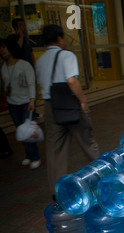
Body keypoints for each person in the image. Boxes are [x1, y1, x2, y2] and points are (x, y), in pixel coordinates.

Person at [35, 24, 99, 197]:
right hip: (70, 104)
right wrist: (83, 100)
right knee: (88, 143)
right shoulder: (66, 55)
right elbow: (71, 81)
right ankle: (103, 178)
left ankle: (58, 191)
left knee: (55, 152)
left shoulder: (39, 61)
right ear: (60, 39)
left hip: (50, 106)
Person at [0, 38, 40, 169]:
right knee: (20, 131)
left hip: (26, 103)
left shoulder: (24, 65)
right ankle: (29, 155)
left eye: (4, 48)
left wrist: (32, 99)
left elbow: (31, 83)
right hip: (12, 103)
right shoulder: (4, 67)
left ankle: (35, 156)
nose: (2, 51)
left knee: (28, 131)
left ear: (11, 49)